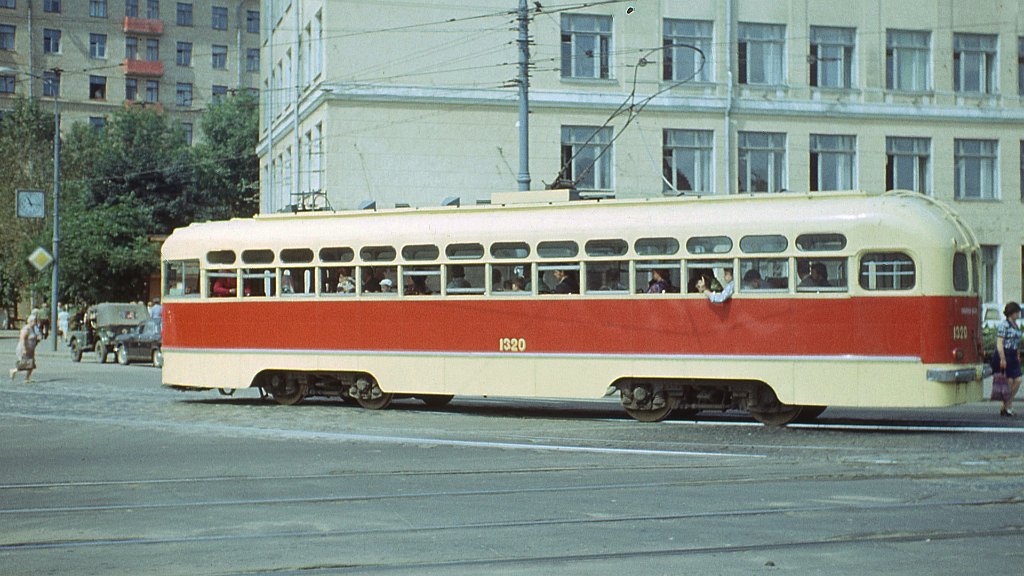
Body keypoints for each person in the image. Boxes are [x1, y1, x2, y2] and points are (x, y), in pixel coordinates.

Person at [995, 301, 1022, 417]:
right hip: (1005, 354)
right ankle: (1007, 406)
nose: (1018, 314)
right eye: (1016, 312)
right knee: (1009, 382)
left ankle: (1006, 405)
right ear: (1011, 313)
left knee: (1018, 380)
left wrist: (1017, 353)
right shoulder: (1004, 325)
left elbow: (1016, 341)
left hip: (1013, 354)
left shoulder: (1016, 325)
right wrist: (1002, 358)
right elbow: (1000, 342)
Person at [11, 314, 41, 383]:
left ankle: (27, 378)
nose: (36, 322)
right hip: (24, 349)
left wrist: (37, 340)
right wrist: (24, 349)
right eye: (34, 321)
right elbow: (22, 339)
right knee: (25, 363)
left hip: (31, 349)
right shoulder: (26, 329)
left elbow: (34, 338)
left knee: (32, 364)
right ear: (30, 321)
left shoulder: (33, 329)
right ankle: (14, 371)